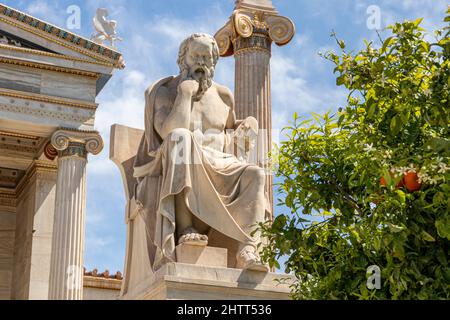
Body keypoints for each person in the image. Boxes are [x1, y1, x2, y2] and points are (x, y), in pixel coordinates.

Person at [133, 33, 271, 272]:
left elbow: (232, 133)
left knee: (256, 174)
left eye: (206, 57)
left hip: (221, 162)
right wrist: (185, 94)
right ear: (182, 59)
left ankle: (248, 247)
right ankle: (186, 227)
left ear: (214, 61)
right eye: (195, 56)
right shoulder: (165, 92)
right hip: (178, 162)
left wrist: (248, 125)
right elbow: (169, 132)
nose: (200, 62)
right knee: (181, 138)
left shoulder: (223, 95)